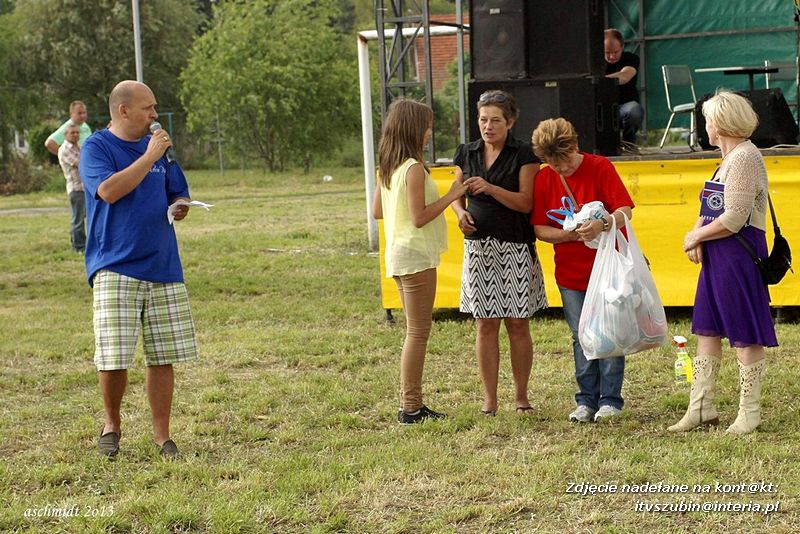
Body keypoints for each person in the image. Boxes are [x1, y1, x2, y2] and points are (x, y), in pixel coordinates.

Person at [79, 80, 198, 458]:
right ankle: (111, 425)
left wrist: (180, 204)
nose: (154, 115)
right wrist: (148, 156)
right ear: (123, 110)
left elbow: (178, 191)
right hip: (115, 264)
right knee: (113, 356)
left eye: (155, 107)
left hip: (163, 264)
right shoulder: (96, 147)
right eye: (147, 108)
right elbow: (110, 191)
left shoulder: (161, 148)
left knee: (163, 354)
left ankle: (162, 436)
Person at [670, 91, 777, 435]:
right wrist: (696, 232)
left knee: (744, 334)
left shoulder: (745, 157)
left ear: (721, 123)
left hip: (737, 256)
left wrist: (696, 237)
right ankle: (702, 407)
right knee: (708, 328)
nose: (706, 127)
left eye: (708, 120)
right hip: (719, 255)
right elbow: (711, 210)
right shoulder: (728, 158)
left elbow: (734, 218)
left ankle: (750, 412)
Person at [451, 90, 548, 416]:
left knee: (518, 324)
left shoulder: (524, 154)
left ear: (510, 121)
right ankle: (489, 400)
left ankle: (521, 397)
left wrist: (490, 188)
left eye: (495, 120)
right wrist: (459, 213)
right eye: (482, 120)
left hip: (516, 247)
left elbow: (526, 202)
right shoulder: (466, 152)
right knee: (485, 324)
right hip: (479, 248)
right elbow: (455, 194)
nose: (488, 126)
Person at [531, 118, 634, 423]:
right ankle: (586, 399)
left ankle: (611, 399)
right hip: (570, 272)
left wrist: (601, 224)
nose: (559, 169)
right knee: (581, 335)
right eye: (551, 163)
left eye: (562, 162)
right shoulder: (543, 178)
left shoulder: (600, 167)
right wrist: (571, 234)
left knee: (610, 331)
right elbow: (539, 228)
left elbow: (625, 211)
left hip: (607, 266)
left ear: (574, 147)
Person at [371, 98, 467, 425]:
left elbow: (377, 212)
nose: (430, 132)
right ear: (413, 127)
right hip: (415, 256)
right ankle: (411, 406)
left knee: (415, 330)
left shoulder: (388, 165)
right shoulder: (412, 167)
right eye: (427, 125)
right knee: (418, 332)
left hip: (398, 254)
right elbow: (419, 217)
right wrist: (453, 195)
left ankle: (411, 404)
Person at [604, 28, 644, 145]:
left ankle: (628, 144)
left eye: (615, 52)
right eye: (607, 53)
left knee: (634, 109)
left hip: (623, 108)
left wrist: (599, 80)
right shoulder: (593, 62)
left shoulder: (631, 58)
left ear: (622, 47)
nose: (611, 56)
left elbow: (625, 76)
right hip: (600, 109)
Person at [57, 124, 86, 253]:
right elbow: (82, 163)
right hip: (76, 188)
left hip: (84, 188)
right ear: (65, 135)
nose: (75, 135)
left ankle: (82, 244)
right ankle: (78, 246)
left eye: (77, 133)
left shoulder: (78, 147)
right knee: (78, 220)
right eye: (72, 133)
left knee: (85, 218)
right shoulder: (65, 149)